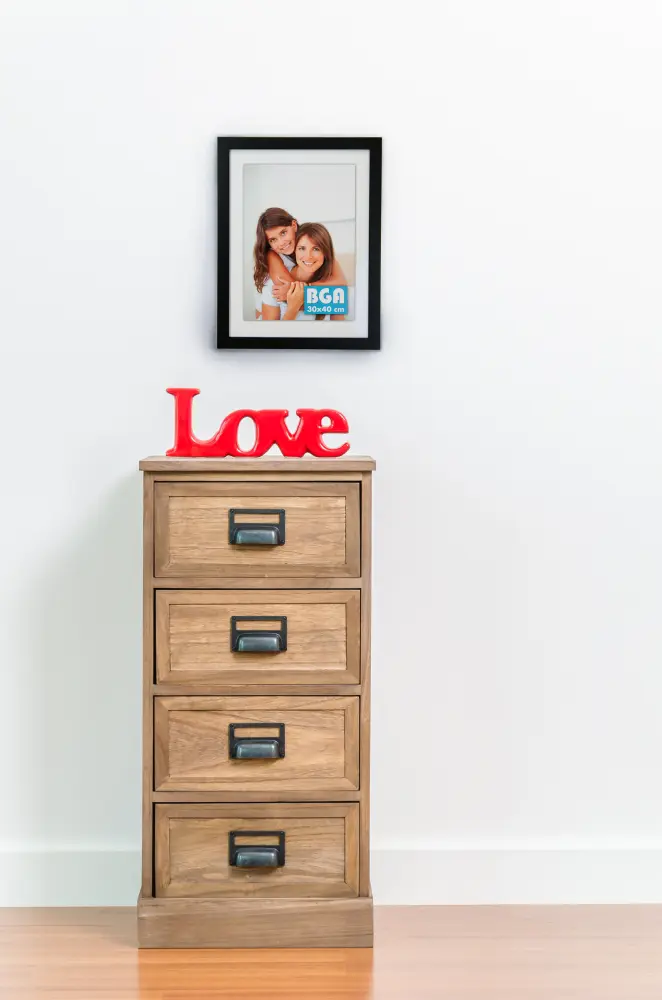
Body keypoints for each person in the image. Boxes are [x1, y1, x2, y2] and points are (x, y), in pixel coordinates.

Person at [261, 222, 347, 321]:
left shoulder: (333, 289)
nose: (308, 256)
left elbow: (338, 326)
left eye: (316, 249)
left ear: (325, 253)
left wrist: (304, 290)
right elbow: (270, 330)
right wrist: (293, 308)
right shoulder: (276, 287)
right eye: (302, 248)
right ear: (294, 251)